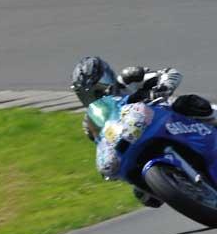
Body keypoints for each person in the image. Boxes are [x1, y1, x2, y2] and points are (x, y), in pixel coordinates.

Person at [70, 56, 215, 207]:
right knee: (143, 195)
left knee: (190, 104)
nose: (94, 96)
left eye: (96, 89)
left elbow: (170, 73)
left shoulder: (128, 79)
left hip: (164, 115)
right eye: (86, 95)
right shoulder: (90, 122)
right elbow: (101, 142)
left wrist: (164, 87)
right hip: (134, 138)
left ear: (105, 78)